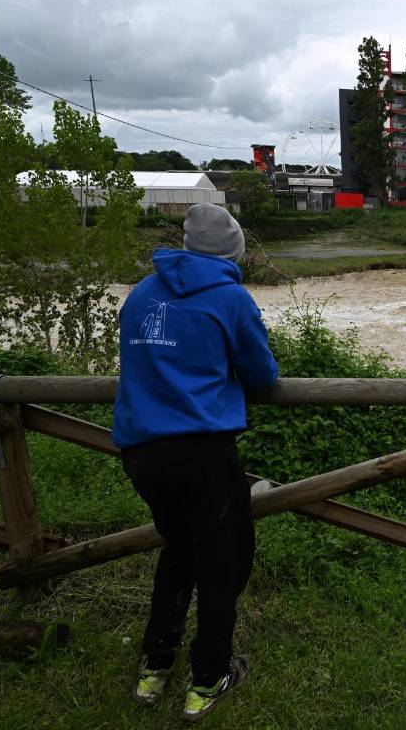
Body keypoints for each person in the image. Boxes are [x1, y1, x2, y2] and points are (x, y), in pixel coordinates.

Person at [113, 202, 279, 722]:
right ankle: (209, 677)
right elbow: (263, 376)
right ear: (233, 252)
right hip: (202, 452)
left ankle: (154, 668)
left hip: (140, 451)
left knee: (180, 551)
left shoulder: (142, 293)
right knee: (223, 562)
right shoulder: (231, 299)